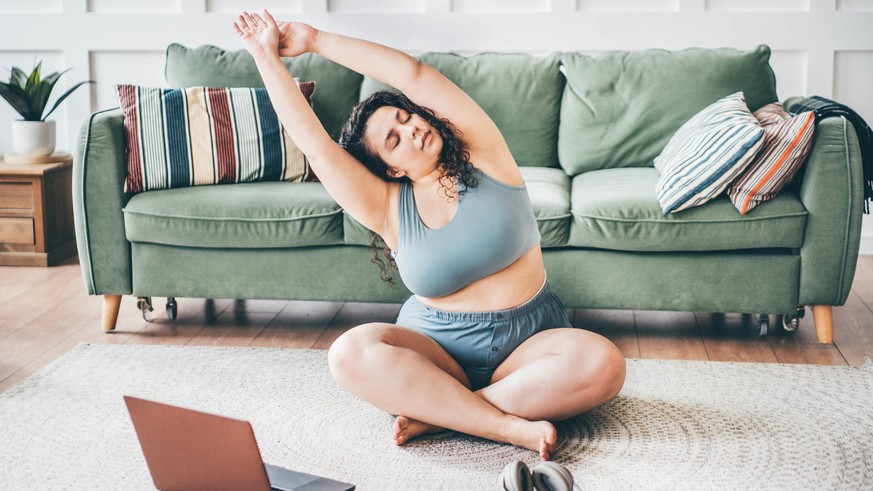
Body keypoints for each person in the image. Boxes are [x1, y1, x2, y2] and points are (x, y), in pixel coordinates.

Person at [234, 10, 626, 461]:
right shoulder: (386, 207)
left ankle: (442, 413)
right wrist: (266, 57)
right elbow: (317, 150)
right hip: (438, 351)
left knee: (604, 363)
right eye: (394, 139)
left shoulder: (485, 154)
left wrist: (316, 38)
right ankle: (502, 424)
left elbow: (412, 73)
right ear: (392, 168)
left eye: (406, 116)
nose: (411, 128)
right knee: (348, 353)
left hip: (531, 341)